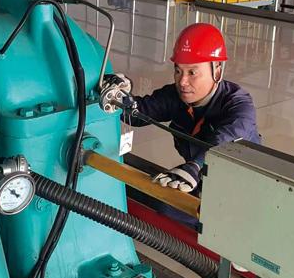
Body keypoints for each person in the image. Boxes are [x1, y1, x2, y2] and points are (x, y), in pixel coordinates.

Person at [102, 22, 260, 228]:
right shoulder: (176, 96)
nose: (182, 81)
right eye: (178, 71)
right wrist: (120, 96)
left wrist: (195, 166)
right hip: (202, 177)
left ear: (217, 71)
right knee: (160, 201)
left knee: (211, 222)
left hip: (242, 188)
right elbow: (141, 113)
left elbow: (223, 143)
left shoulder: (238, 105)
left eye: (192, 72)